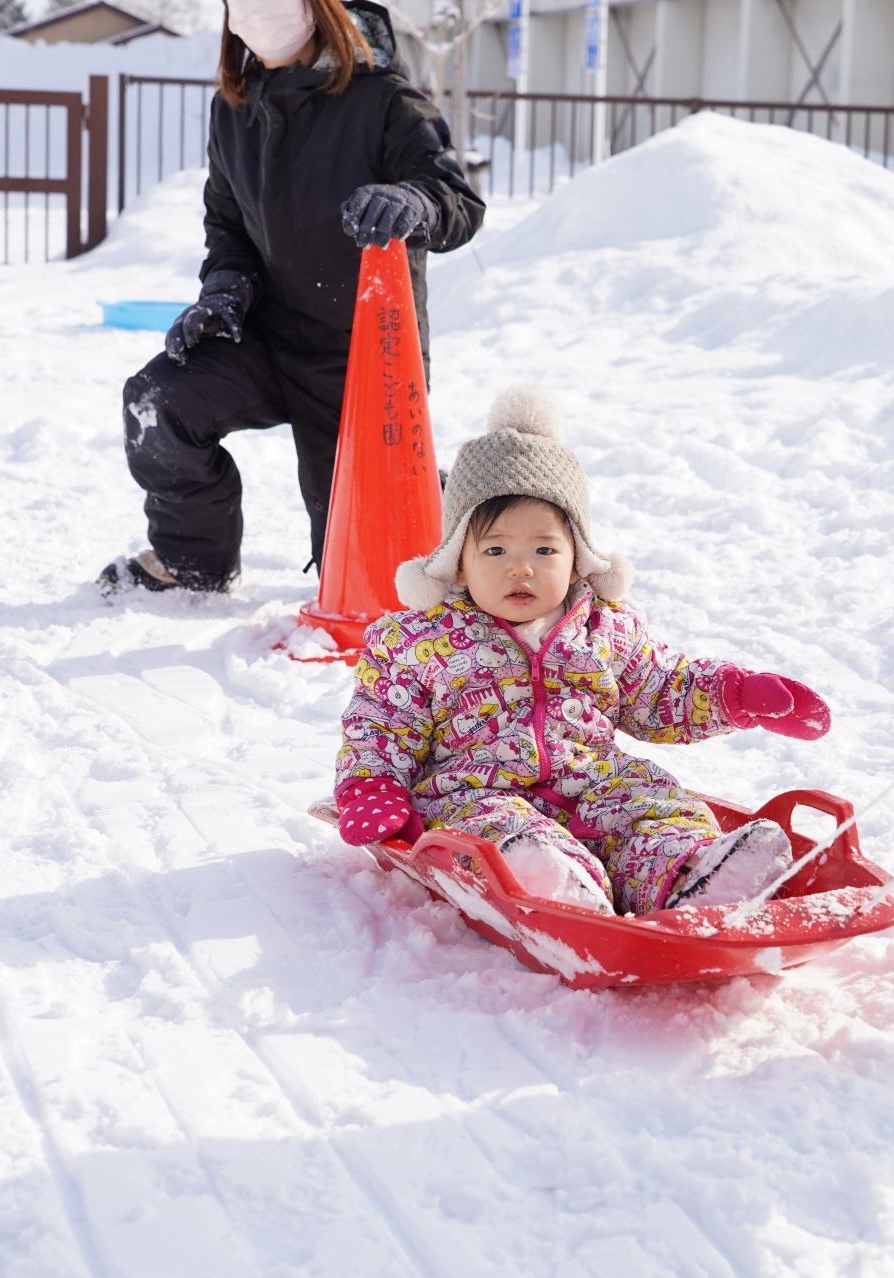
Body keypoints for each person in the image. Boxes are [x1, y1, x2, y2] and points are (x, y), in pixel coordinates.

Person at [332, 386, 833, 915]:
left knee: (654, 805)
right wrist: (371, 786)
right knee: (498, 829)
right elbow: (380, 722)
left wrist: (734, 695)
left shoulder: (604, 630)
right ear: (458, 563)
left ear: (577, 561)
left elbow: (658, 688)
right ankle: (546, 880)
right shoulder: (420, 643)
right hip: (476, 792)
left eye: (544, 549)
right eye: (496, 549)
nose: (520, 567)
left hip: (592, 783)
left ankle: (693, 873)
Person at [101, 0, 484, 595]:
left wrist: (415, 201)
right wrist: (224, 289)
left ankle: (485, 524)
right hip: (266, 336)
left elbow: (457, 201)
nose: (255, 12)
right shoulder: (236, 107)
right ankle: (192, 562)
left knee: (362, 567)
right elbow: (226, 226)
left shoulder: (384, 100)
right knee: (160, 401)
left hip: (360, 357)